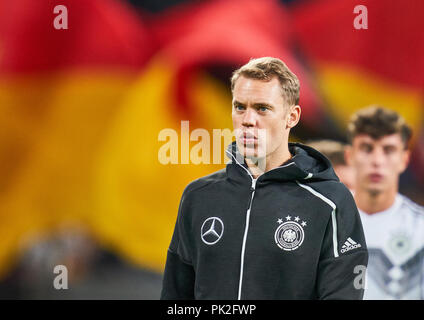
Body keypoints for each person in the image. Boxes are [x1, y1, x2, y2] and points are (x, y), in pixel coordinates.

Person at [160, 57, 368, 300]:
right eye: (240, 107)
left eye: (262, 108)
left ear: (292, 117)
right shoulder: (198, 196)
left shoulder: (330, 201)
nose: (248, 119)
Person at [345, 106, 424, 299]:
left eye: (389, 150)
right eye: (367, 148)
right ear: (350, 156)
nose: (377, 161)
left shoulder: (420, 229)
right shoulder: (322, 219)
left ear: (404, 159)